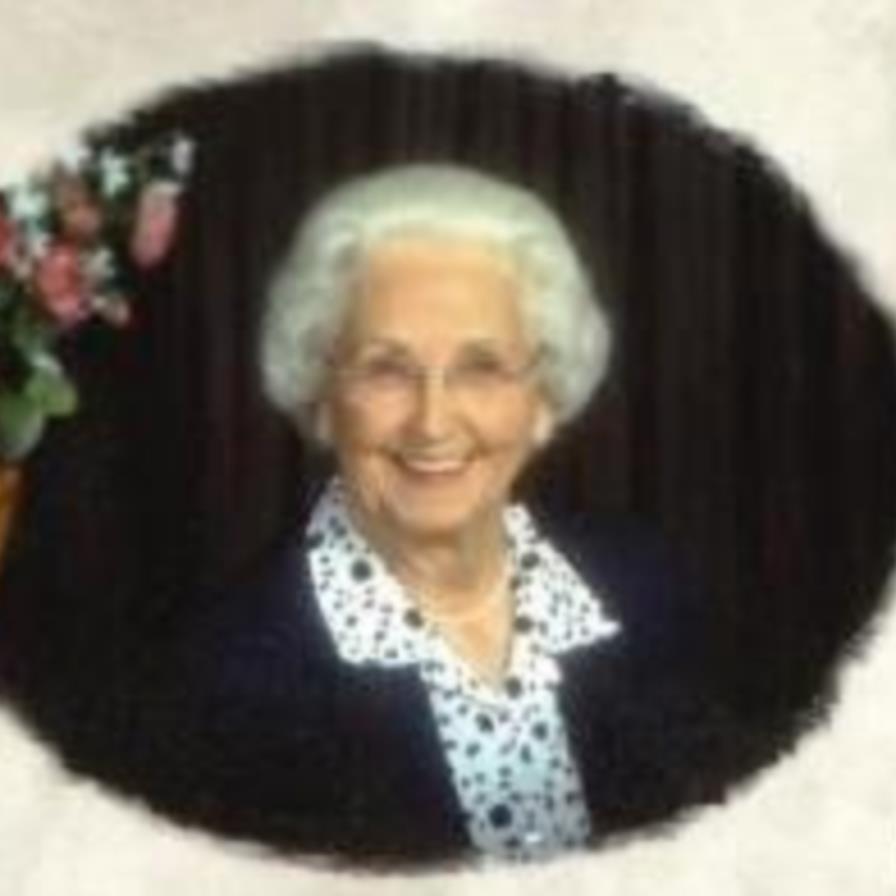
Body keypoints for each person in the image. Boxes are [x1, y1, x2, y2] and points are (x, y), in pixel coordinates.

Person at [123, 164, 739, 868]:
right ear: (323, 396)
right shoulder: (219, 686)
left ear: (542, 399)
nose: (433, 422)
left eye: (482, 367)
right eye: (386, 369)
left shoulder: (648, 587)